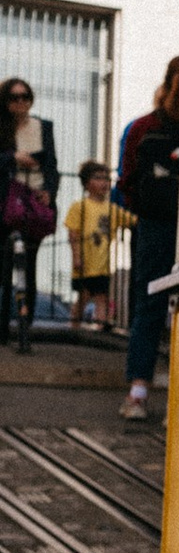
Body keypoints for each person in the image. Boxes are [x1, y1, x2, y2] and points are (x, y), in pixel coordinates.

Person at [114, 56, 179, 418]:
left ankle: (141, 391)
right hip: (161, 225)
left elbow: (125, 182)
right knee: (151, 304)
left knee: (151, 305)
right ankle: (139, 390)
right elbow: (126, 181)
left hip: (160, 223)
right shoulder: (145, 128)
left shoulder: (144, 127)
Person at [0, 82, 58, 354]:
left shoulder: (43, 127)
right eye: (14, 98)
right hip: (6, 203)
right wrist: (13, 157)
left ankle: (26, 326)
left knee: (30, 265)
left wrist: (50, 192)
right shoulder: (2, 128)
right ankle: (3, 327)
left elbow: (52, 165)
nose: (20, 102)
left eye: (25, 97)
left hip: (33, 203)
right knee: (4, 266)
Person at [66, 163, 119, 332]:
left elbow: (130, 220)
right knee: (84, 295)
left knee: (102, 296)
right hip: (86, 263)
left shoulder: (112, 209)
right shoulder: (79, 207)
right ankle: (74, 327)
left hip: (102, 264)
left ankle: (101, 327)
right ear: (86, 183)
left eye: (106, 179)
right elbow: (73, 234)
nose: (104, 183)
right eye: (98, 178)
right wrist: (77, 257)